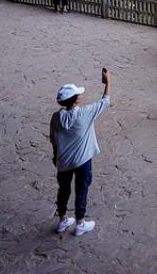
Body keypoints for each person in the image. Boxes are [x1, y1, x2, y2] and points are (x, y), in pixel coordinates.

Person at [50, 68, 111, 237]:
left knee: (63, 190)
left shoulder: (56, 117)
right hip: (82, 160)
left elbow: (53, 140)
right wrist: (108, 82)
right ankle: (80, 223)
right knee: (81, 189)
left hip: (63, 161)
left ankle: (62, 220)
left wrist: (55, 157)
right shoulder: (85, 113)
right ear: (76, 99)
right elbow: (104, 101)